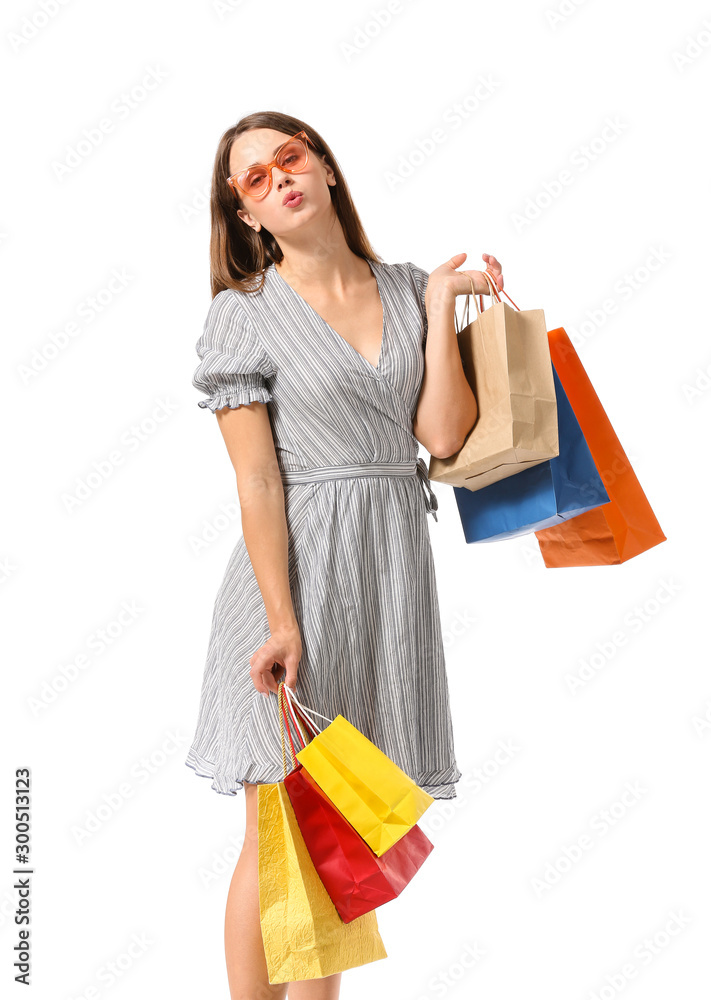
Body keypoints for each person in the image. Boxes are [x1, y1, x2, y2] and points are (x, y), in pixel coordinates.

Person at [185, 111, 504, 999]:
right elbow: (255, 482)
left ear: (323, 166)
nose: (278, 178)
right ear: (245, 215)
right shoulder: (243, 316)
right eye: (254, 178)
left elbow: (439, 434)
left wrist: (440, 309)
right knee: (280, 821)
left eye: (289, 157)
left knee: (348, 825)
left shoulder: (406, 289)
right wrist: (283, 621)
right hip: (289, 580)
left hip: (389, 573)